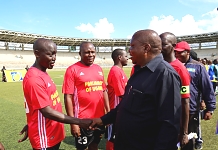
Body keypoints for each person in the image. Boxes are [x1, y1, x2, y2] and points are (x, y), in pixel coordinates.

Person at [87, 29, 182, 150]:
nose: (129, 51)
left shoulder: (165, 74)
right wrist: (102, 120)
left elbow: (169, 124)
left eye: (132, 46)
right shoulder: (139, 70)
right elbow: (125, 106)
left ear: (146, 48)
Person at [21, 38, 92, 150]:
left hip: (53, 133)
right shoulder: (34, 78)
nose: (54, 58)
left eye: (55, 54)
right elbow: (47, 112)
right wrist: (79, 122)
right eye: (50, 54)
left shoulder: (42, 73)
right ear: (37, 53)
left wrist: (31, 123)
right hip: (45, 137)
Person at [62, 41, 110, 150]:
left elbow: (103, 91)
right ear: (80, 53)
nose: (91, 55)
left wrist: (108, 112)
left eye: (93, 52)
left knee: (95, 145)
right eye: (87, 52)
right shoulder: (72, 70)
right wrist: (73, 123)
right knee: (82, 148)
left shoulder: (98, 68)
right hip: (82, 120)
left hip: (99, 118)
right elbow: (68, 97)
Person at [174, 41, 216, 150]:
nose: (177, 55)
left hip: (191, 111)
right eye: (176, 53)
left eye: (180, 52)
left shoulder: (198, 67)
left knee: (188, 141)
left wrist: (210, 109)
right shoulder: (171, 65)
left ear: (187, 52)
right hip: (172, 110)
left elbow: (207, 88)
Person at [159, 32, 190, 148]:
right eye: (159, 44)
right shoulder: (157, 65)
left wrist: (184, 132)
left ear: (174, 46)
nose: (160, 48)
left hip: (171, 123)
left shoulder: (180, 69)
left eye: (164, 45)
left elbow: (185, 102)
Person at [105, 48, 128, 150]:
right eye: (126, 56)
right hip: (115, 109)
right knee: (112, 138)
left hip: (121, 109)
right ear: (119, 57)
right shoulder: (115, 71)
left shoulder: (119, 70)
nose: (128, 58)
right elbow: (121, 94)